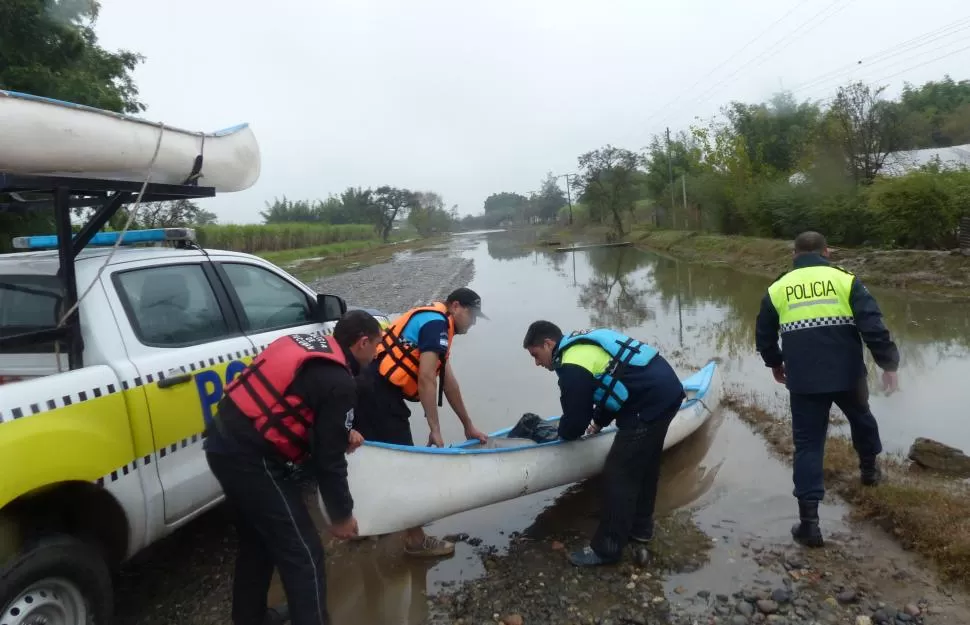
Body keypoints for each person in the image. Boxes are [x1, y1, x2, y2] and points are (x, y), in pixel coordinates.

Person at [202, 309, 383, 625]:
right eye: (376, 346)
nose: (376, 354)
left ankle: (251, 618)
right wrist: (341, 516)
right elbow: (329, 461)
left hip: (221, 442)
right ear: (363, 342)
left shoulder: (308, 346)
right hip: (249, 458)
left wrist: (342, 433)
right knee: (304, 553)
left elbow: (294, 410)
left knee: (258, 541)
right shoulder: (340, 382)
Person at [755, 230, 900, 549]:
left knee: (807, 445)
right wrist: (888, 363)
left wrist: (775, 363)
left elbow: (764, 334)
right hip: (848, 374)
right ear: (827, 252)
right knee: (861, 417)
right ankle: (869, 472)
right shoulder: (846, 280)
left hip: (804, 379)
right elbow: (872, 325)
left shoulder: (778, 287)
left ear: (794, 254)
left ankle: (809, 524)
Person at [522, 320, 686, 567]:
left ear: (548, 344)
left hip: (648, 403)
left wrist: (561, 437)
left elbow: (575, 421)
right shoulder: (582, 346)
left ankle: (607, 548)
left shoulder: (572, 364)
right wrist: (599, 421)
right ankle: (640, 528)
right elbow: (615, 384)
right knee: (645, 464)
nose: (537, 363)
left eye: (536, 355)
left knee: (618, 473)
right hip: (665, 391)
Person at [353, 287, 489, 558]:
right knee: (405, 466)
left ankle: (365, 524)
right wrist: (435, 429)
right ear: (456, 306)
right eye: (471, 315)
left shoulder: (436, 323)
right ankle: (415, 541)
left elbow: (448, 383)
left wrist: (468, 425)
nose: (472, 323)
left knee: (371, 457)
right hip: (378, 393)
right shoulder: (437, 324)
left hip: (367, 388)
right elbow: (427, 378)